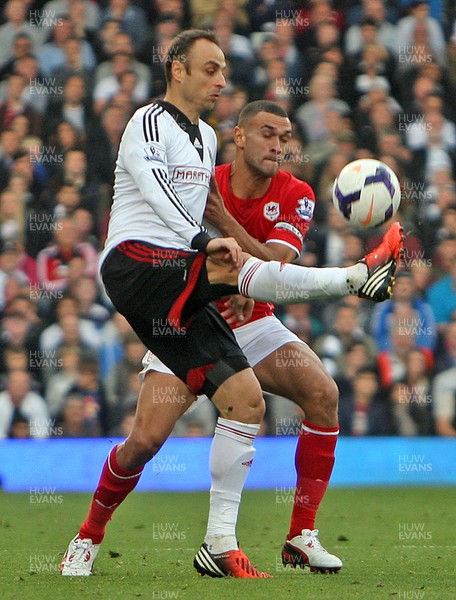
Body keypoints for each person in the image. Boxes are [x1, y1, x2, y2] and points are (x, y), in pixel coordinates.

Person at [60, 29, 404, 579]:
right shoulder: (159, 127)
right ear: (240, 138)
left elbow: (273, 264)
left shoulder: (288, 188)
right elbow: (163, 199)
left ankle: (271, 540)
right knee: (144, 441)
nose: (278, 145)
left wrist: (223, 242)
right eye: (267, 133)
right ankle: (85, 537)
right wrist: (212, 248)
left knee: (284, 398)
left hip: (228, 310)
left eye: (286, 137)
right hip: (164, 281)